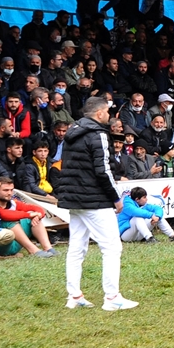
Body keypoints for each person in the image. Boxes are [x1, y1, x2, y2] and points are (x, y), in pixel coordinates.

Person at [59, 97, 138, 311]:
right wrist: (116, 198)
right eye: (107, 112)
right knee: (112, 247)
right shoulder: (99, 135)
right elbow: (103, 170)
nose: (109, 116)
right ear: (100, 113)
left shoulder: (72, 132)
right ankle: (112, 298)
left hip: (74, 198)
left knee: (76, 247)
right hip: (94, 199)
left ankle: (74, 295)